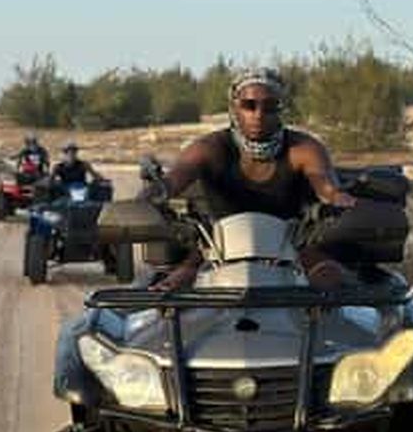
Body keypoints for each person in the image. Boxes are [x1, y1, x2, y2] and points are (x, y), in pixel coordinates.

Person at [147, 67, 355, 290]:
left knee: (332, 281)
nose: (258, 114)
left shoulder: (302, 148)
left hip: (293, 249)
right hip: (216, 250)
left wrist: (344, 202)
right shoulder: (209, 148)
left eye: (270, 107)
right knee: (172, 288)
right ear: (234, 108)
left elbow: (327, 187)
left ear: (281, 110)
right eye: (249, 105)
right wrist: (147, 198)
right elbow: (171, 182)